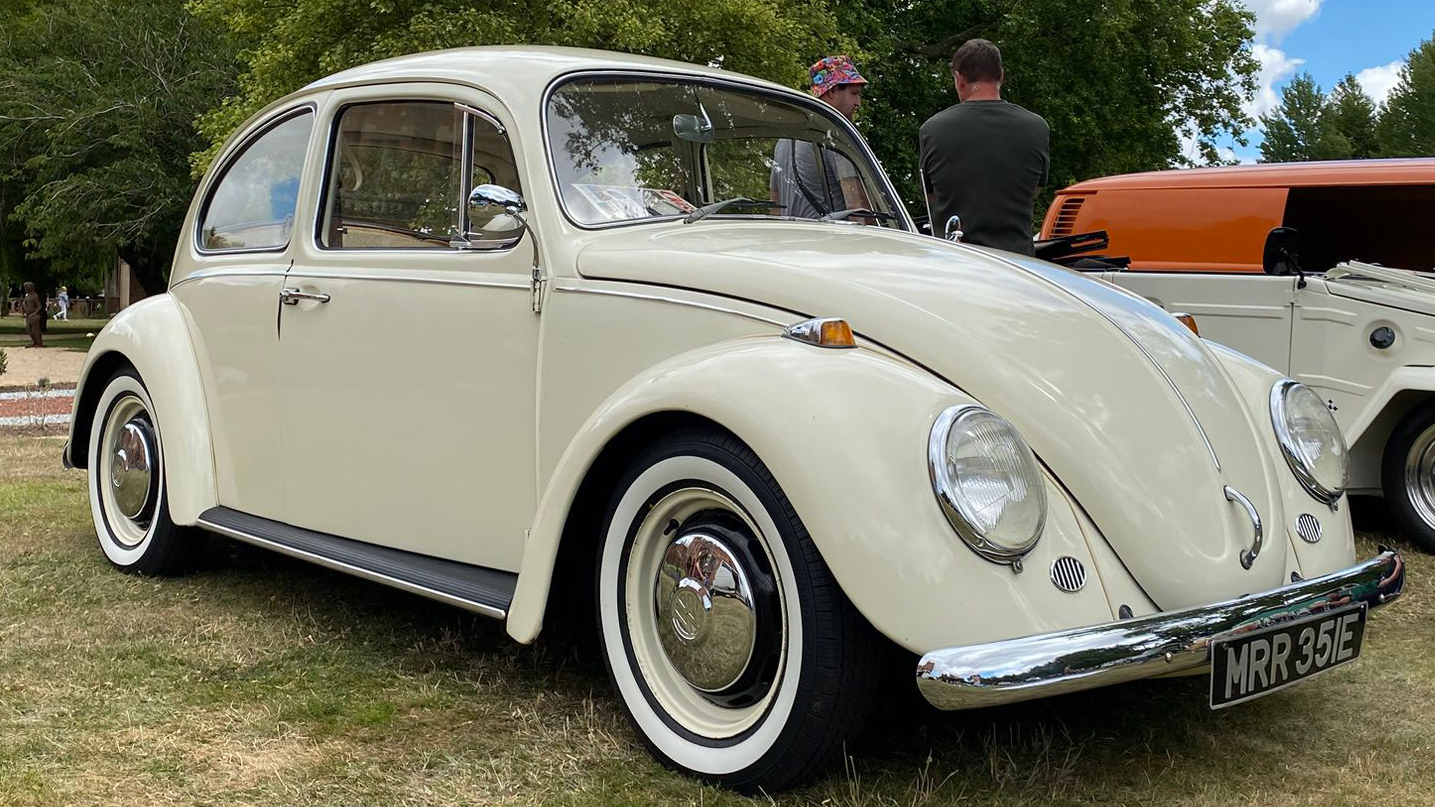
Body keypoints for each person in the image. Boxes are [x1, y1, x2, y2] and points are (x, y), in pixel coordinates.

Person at [920, 39, 1049, 255]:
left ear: (960, 80)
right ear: (1002, 76)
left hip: (957, 261)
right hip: (1018, 263)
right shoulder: (1037, 128)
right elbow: (1035, 191)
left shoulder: (932, 130)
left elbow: (931, 195)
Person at [770, 55, 873, 220]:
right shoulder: (834, 134)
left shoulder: (784, 140)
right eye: (854, 93)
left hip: (794, 240)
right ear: (832, 91)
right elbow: (856, 206)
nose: (858, 102)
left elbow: (775, 206)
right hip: (833, 241)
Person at [21, 281, 43, 348]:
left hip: (34, 315)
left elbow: (39, 306)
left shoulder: (34, 295)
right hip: (28, 314)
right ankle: (34, 341)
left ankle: (39, 343)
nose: (25, 288)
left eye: (26, 287)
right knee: (28, 329)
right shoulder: (27, 295)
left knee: (35, 329)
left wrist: (35, 313)